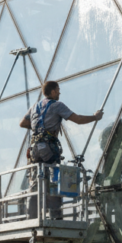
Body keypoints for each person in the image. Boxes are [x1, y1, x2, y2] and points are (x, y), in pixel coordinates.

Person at [19, 80, 103, 219]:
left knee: (34, 183)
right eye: (58, 90)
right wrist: (95, 117)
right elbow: (78, 119)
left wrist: (39, 128)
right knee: (54, 180)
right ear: (52, 92)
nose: (59, 92)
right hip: (48, 147)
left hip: (34, 148)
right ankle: (56, 216)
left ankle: (31, 217)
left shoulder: (35, 106)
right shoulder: (57, 105)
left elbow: (23, 123)